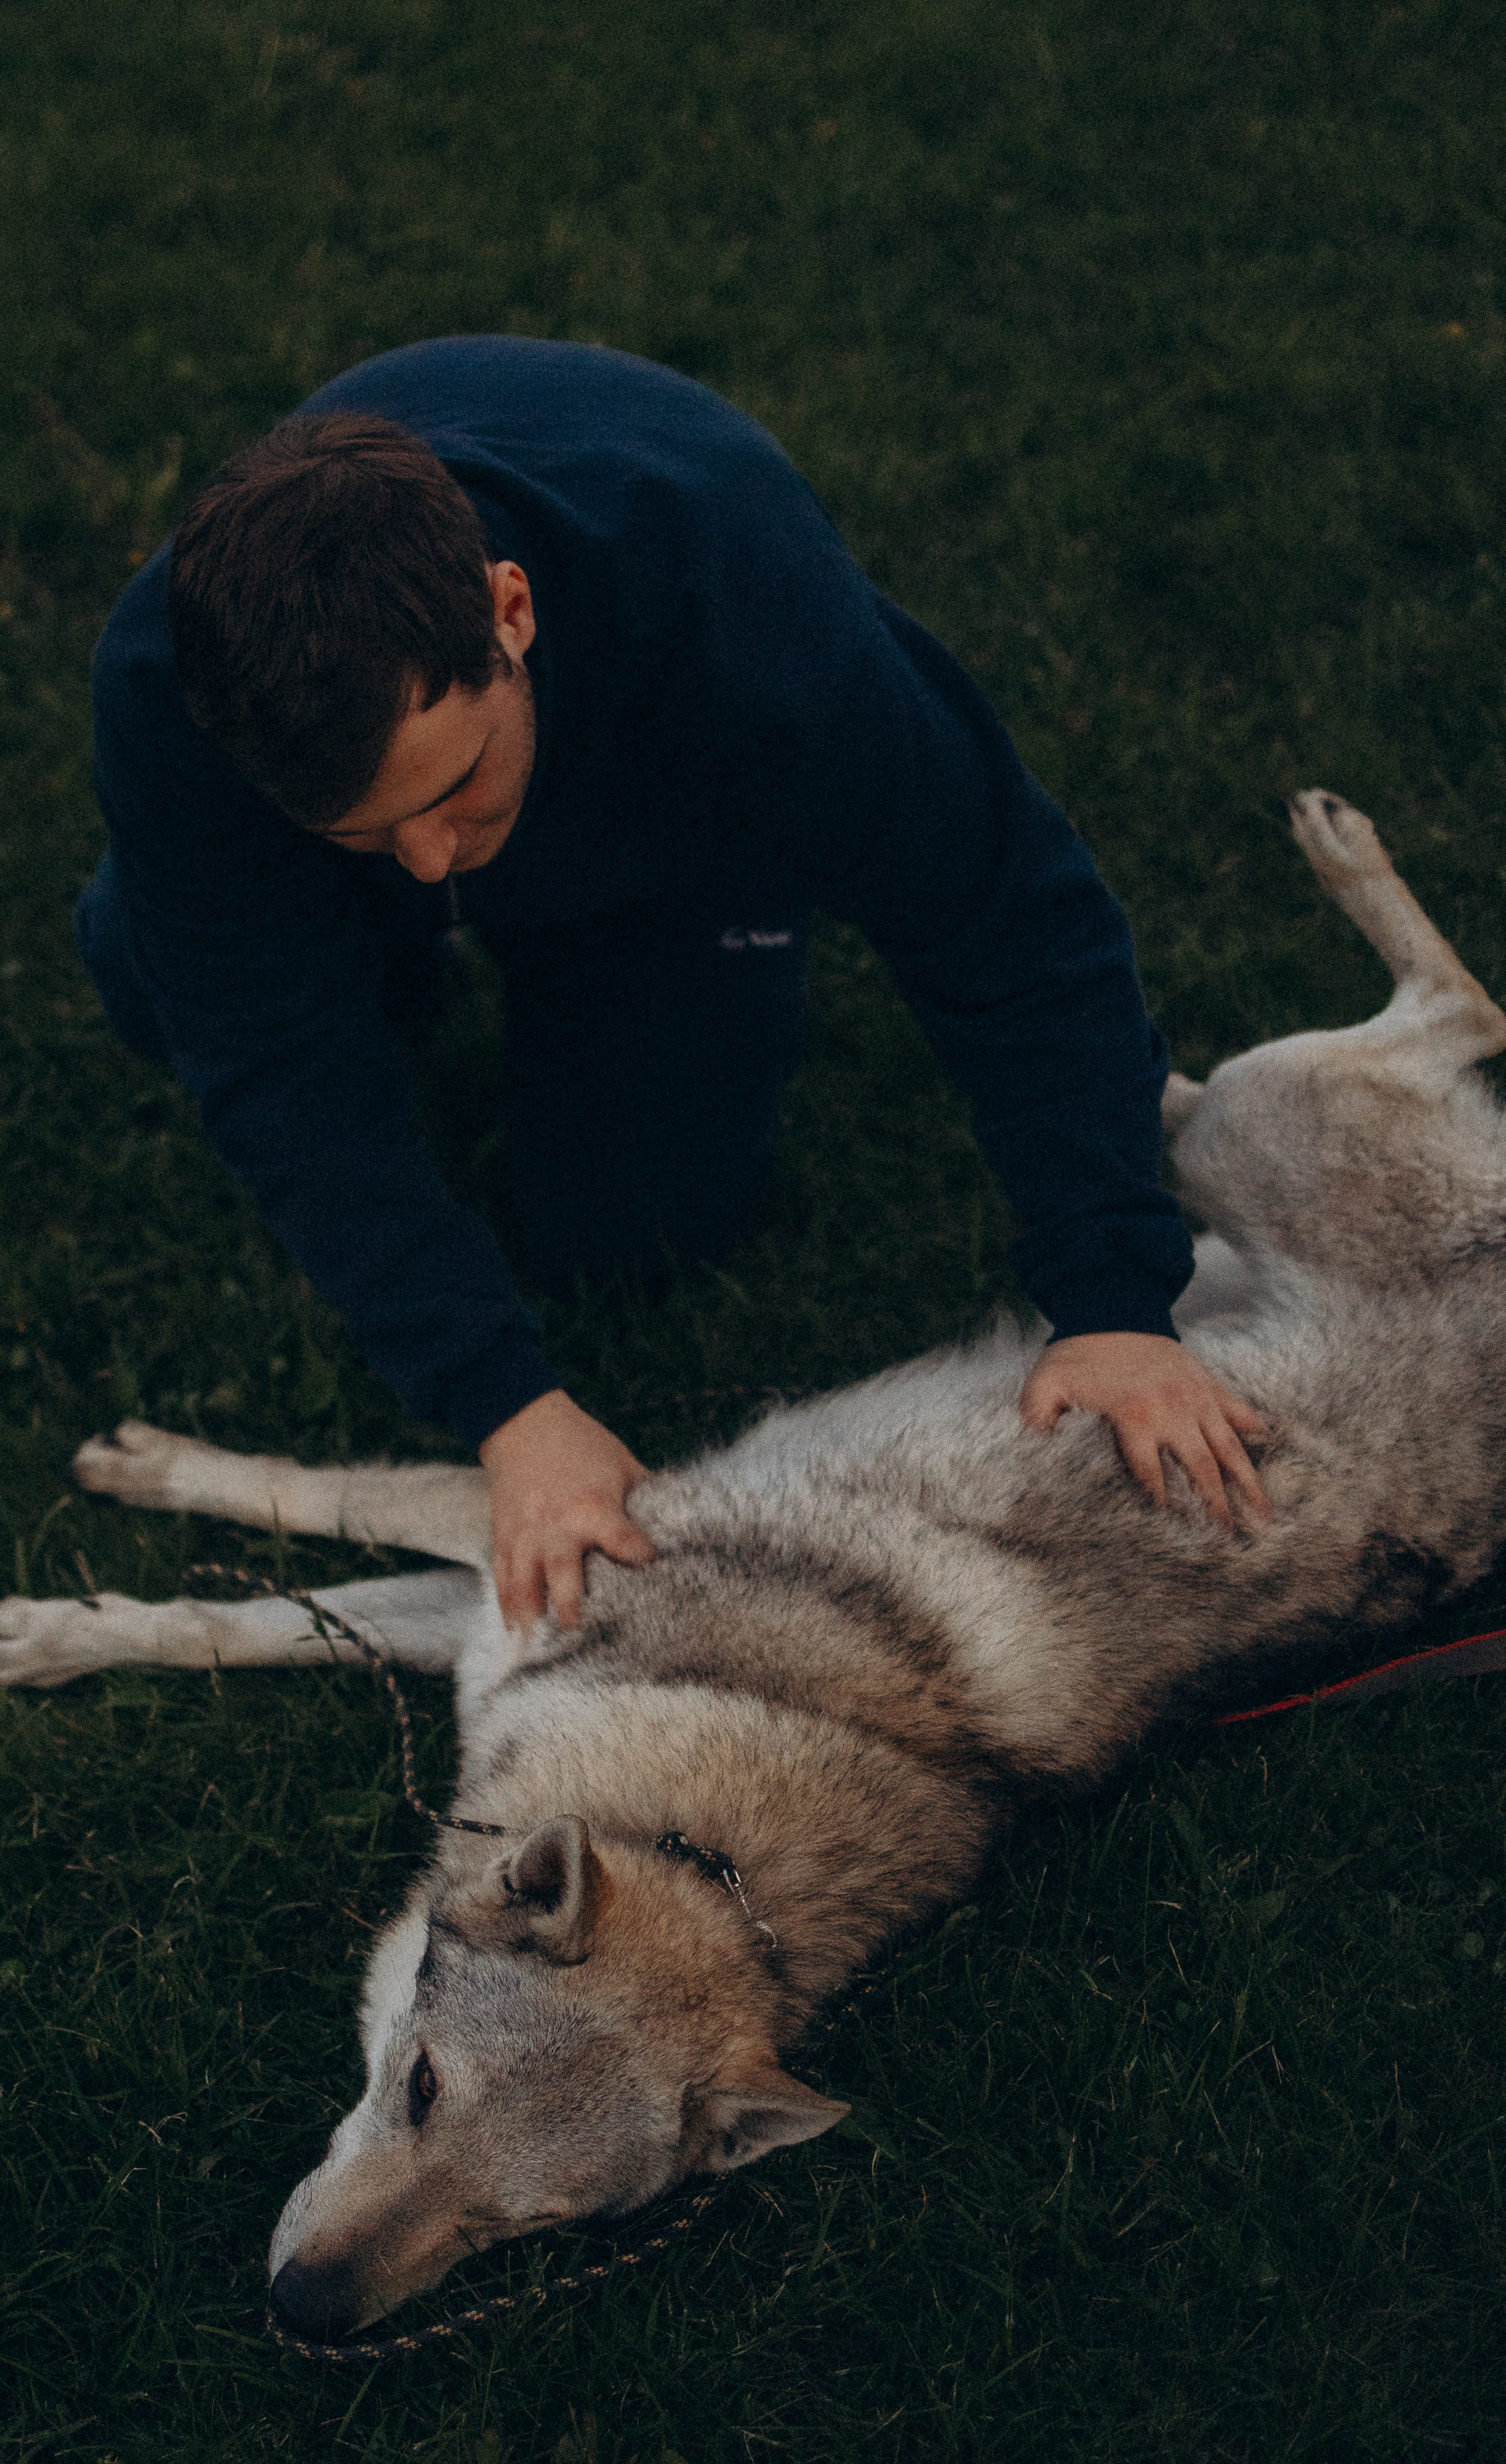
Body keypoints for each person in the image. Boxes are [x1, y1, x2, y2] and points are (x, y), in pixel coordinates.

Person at [78, 336, 1267, 1630]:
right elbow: (277, 1076)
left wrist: (1111, 1296)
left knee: (632, 1227)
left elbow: (1005, 910)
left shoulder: (738, 601)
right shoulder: (174, 686)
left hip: (664, 851)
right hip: (349, 851)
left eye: (454, 785)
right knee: (153, 975)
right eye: (370, 831)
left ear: (510, 612)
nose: (426, 857)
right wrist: (510, 1408)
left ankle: (673, 938)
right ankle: (393, 953)